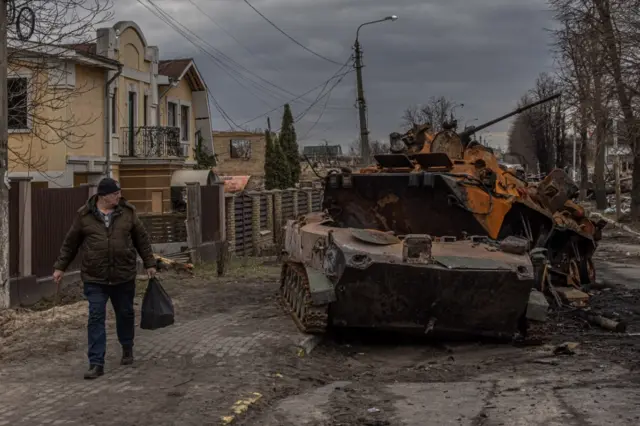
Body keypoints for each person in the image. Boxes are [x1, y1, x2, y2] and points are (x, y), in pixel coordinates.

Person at [53, 177, 157, 380]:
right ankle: (96, 363)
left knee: (125, 314)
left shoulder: (128, 213)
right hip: (95, 277)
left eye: (119, 192)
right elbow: (70, 243)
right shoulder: (84, 216)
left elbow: (141, 240)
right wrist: (60, 267)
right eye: (115, 193)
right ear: (103, 196)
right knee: (95, 318)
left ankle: (127, 346)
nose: (119, 196)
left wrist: (150, 263)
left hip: (123, 275)